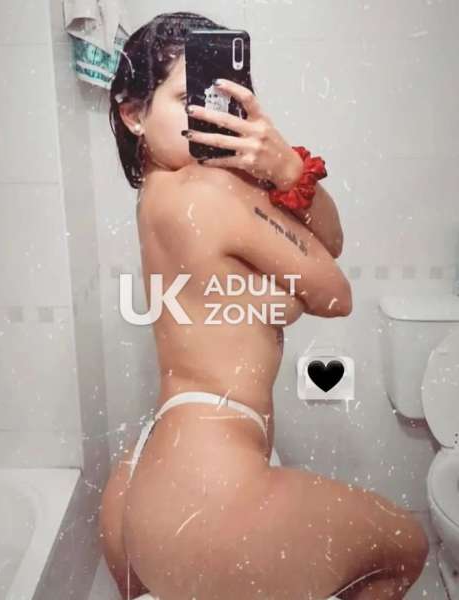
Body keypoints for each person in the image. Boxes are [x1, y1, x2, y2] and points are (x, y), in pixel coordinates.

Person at [99, 11, 429, 600]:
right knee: (407, 546)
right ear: (134, 114)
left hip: (146, 483)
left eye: (218, 97)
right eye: (186, 98)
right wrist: (286, 173)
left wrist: (284, 179)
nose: (208, 113)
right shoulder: (213, 187)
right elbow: (336, 290)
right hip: (210, 492)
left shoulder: (156, 195)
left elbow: (240, 279)